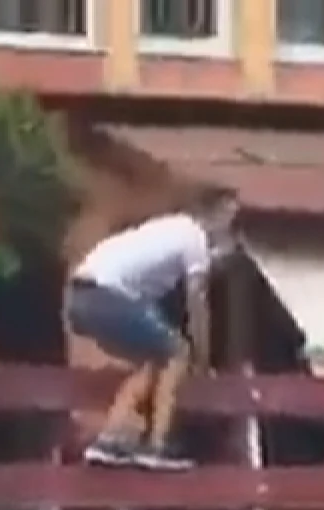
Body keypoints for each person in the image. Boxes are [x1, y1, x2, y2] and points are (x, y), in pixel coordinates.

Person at [68, 186, 240, 471]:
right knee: (177, 352)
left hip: (80, 298)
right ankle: (158, 445)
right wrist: (202, 358)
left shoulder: (164, 229)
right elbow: (197, 302)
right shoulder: (193, 237)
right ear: (214, 213)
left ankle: (109, 439)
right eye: (229, 217)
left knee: (151, 360)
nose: (229, 227)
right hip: (108, 297)